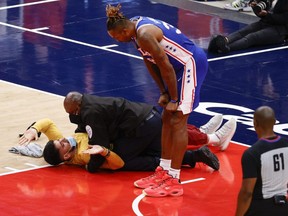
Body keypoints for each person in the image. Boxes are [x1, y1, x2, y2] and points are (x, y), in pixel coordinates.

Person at [105, 4, 236, 197]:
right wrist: (163, 92)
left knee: (177, 121)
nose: (117, 41)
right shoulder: (135, 30)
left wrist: (174, 97)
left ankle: (174, 178)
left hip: (189, 65)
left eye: (116, 37)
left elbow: (165, 65)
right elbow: (150, 62)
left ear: (124, 30)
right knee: (166, 118)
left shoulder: (144, 34)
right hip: (176, 69)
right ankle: (163, 170)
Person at [235, 106, 288, 216]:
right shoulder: (286, 145)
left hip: (260, 208)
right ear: (274, 122)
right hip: (283, 207)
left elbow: (247, 193)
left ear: (255, 123)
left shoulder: (252, 153)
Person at [208, 0, 288, 54]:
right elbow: (262, 10)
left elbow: (284, 19)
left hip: (281, 30)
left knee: (252, 37)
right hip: (266, 22)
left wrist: (267, 15)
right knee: (244, 31)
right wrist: (255, 8)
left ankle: (225, 48)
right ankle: (224, 41)